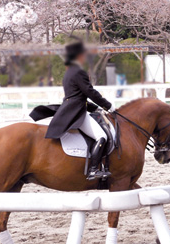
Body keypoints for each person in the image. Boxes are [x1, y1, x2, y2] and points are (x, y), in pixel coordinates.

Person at [41, 41, 115, 180]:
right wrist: (107, 105)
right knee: (101, 136)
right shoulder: (78, 71)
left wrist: (95, 107)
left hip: (74, 107)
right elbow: (89, 92)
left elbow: (77, 95)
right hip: (76, 112)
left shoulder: (69, 71)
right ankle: (93, 170)